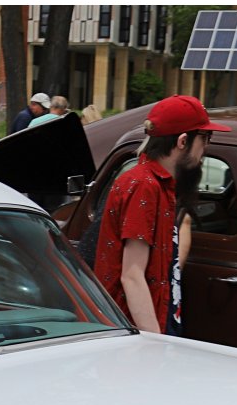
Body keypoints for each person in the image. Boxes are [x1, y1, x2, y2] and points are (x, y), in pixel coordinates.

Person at [93, 95, 229, 335]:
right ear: (183, 141)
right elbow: (132, 275)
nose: (206, 148)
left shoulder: (158, 184)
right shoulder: (144, 185)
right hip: (136, 333)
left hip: (149, 321)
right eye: (205, 138)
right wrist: (155, 342)